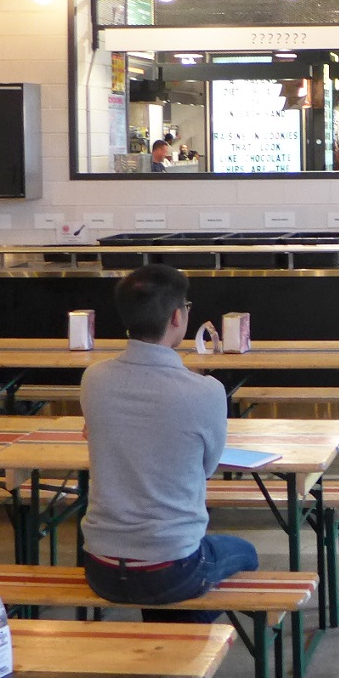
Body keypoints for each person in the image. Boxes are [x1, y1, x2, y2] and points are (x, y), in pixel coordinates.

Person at [81, 264, 257, 621]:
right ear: (178, 316)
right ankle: (187, 646)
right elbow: (206, 469)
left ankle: (172, 646)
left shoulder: (94, 379)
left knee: (168, 572)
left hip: (99, 566)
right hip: (172, 567)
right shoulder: (205, 391)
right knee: (246, 553)